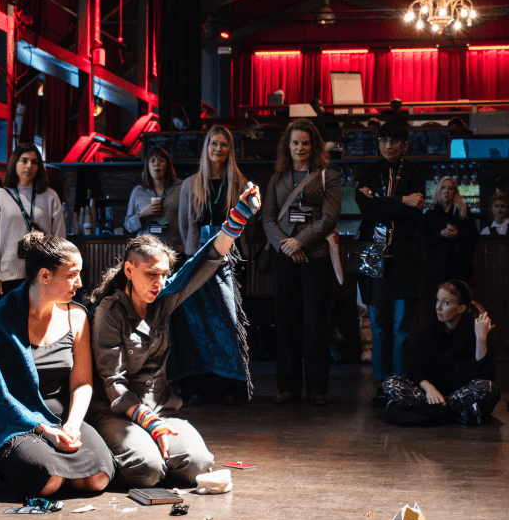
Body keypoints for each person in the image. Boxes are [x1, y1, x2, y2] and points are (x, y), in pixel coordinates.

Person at [87, 185, 261, 487]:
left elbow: (202, 264)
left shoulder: (163, 300)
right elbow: (112, 382)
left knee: (198, 464)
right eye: (151, 274)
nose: (159, 282)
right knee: (147, 469)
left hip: (161, 409)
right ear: (129, 270)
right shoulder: (109, 312)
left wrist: (239, 216)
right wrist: (149, 424)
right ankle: (117, 456)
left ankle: (152, 448)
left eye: (164, 274)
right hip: (119, 413)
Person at [0, 232, 113, 498]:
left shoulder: (76, 316)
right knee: (48, 481)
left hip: (60, 417)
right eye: (72, 275)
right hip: (17, 421)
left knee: (98, 478)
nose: (79, 283)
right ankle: (17, 464)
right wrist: (44, 431)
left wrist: (72, 424)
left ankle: (53, 464)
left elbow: (82, 382)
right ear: (45, 276)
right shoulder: (2, 318)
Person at [262, 119, 341, 405]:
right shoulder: (277, 177)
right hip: (284, 258)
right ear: (288, 146)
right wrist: (286, 245)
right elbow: (267, 218)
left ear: (314, 146)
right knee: (286, 323)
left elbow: (329, 217)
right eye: (295, 142)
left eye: (305, 143)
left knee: (315, 324)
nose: (300, 148)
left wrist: (300, 242)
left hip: (316, 258)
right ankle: (288, 387)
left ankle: (317, 388)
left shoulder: (329, 177)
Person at [175, 125, 252, 404]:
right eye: (213, 144)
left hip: (230, 263)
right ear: (206, 148)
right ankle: (202, 386)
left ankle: (231, 386)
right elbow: (184, 225)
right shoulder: (190, 184)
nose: (218, 149)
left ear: (230, 150)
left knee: (229, 324)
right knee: (200, 325)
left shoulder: (241, 185)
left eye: (224, 144)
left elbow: (249, 228)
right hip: (199, 261)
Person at [355, 117, 426, 400]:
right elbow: (365, 206)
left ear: (405, 145)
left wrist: (383, 203)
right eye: (383, 140)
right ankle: (382, 386)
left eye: (394, 141)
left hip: (406, 253)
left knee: (401, 326)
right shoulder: (368, 171)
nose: (388, 145)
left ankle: (400, 384)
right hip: (372, 251)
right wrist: (401, 201)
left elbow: (416, 206)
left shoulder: (416, 171)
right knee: (378, 324)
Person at [381, 280, 499, 426]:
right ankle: (457, 414)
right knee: (390, 383)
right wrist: (429, 388)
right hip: (430, 393)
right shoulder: (430, 328)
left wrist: (481, 339)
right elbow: (414, 367)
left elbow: (485, 376)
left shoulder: (475, 329)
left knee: (488, 388)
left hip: (460, 394)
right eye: (437, 300)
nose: (438, 307)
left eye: (446, 303)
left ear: (461, 308)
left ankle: (432, 412)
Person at [0, 144, 66, 300]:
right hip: (7, 275)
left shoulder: (50, 196)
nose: (29, 166)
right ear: (15, 163)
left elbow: (59, 239)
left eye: (34, 162)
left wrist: (57, 271)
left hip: (42, 274)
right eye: (24, 160)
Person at [124, 146, 184, 254]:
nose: (156, 164)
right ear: (147, 166)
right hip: (146, 254)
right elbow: (128, 226)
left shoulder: (181, 188)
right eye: (152, 161)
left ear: (168, 165)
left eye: (161, 160)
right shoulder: (138, 191)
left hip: (175, 252)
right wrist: (142, 213)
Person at [422, 175, 478, 287]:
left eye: (450, 188)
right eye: (443, 187)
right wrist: (440, 234)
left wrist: (458, 234)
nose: (446, 191)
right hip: (436, 269)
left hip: (459, 267)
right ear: (438, 191)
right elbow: (424, 239)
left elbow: (474, 236)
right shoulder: (430, 214)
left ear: (455, 192)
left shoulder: (464, 212)